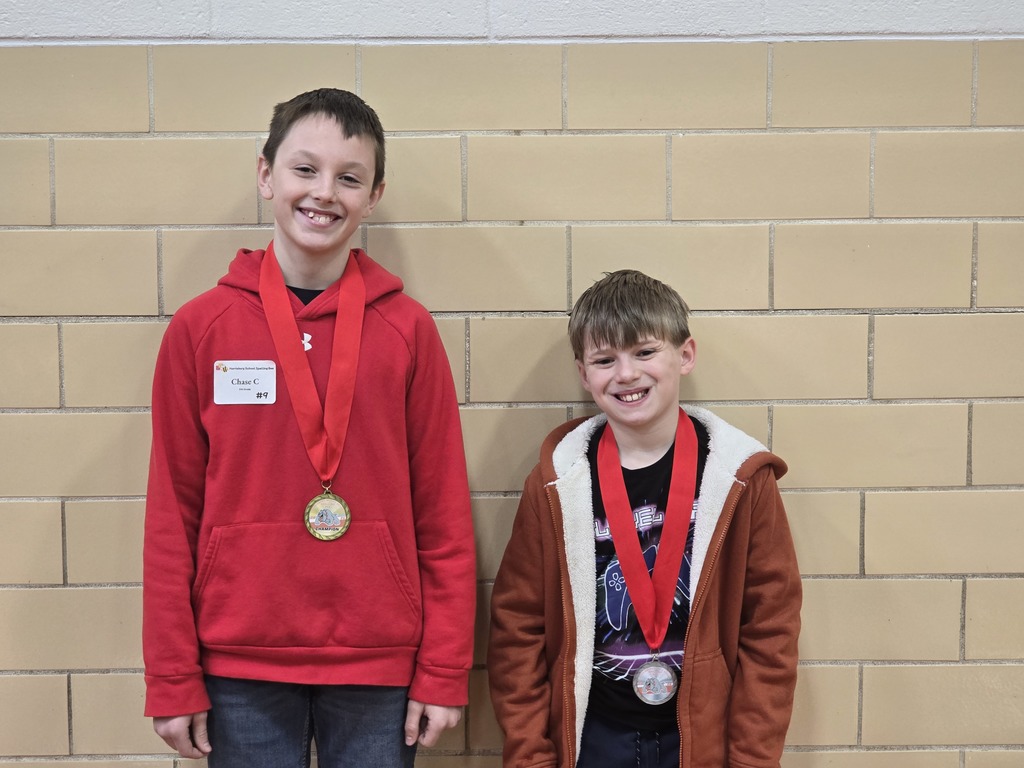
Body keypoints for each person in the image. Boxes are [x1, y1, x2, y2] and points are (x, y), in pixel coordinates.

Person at [143, 88, 476, 768]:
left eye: (349, 178)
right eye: (305, 169)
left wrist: (443, 668)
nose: (324, 193)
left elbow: (442, 512)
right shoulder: (200, 329)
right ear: (265, 175)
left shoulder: (407, 332)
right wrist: (172, 674)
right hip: (239, 665)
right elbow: (171, 514)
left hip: (379, 667)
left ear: (374, 194)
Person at [488, 270, 801, 768]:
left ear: (686, 355)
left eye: (645, 352)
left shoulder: (741, 480)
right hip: (593, 737)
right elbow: (517, 627)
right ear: (583, 373)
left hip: (699, 738)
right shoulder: (556, 483)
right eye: (605, 360)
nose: (627, 374)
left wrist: (752, 759)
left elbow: (770, 631)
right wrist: (530, 754)